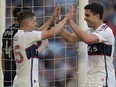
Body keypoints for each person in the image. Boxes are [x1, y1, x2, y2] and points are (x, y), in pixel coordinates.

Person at [59, 2, 116, 87]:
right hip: (91, 79)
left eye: (87, 15)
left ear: (96, 16)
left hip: (103, 80)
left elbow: (87, 39)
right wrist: (58, 24)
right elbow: (69, 38)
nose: (85, 18)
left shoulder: (106, 31)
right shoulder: (90, 31)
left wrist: (71, 22)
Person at [13, 4, 69, 87]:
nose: (36, 24)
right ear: (28, 23)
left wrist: (52, 18)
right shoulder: (27, 35)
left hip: (19, 81)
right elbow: (51, 33)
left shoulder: (18, 35)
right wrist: (66, 18)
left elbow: (30, 55)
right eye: (34, 21)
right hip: (28, 83)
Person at [2, 5, 31, 87]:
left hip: (8, 79)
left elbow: (3, 56)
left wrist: (6, 73)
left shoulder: (6, 32)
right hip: (20, 79)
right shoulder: (21, 32)